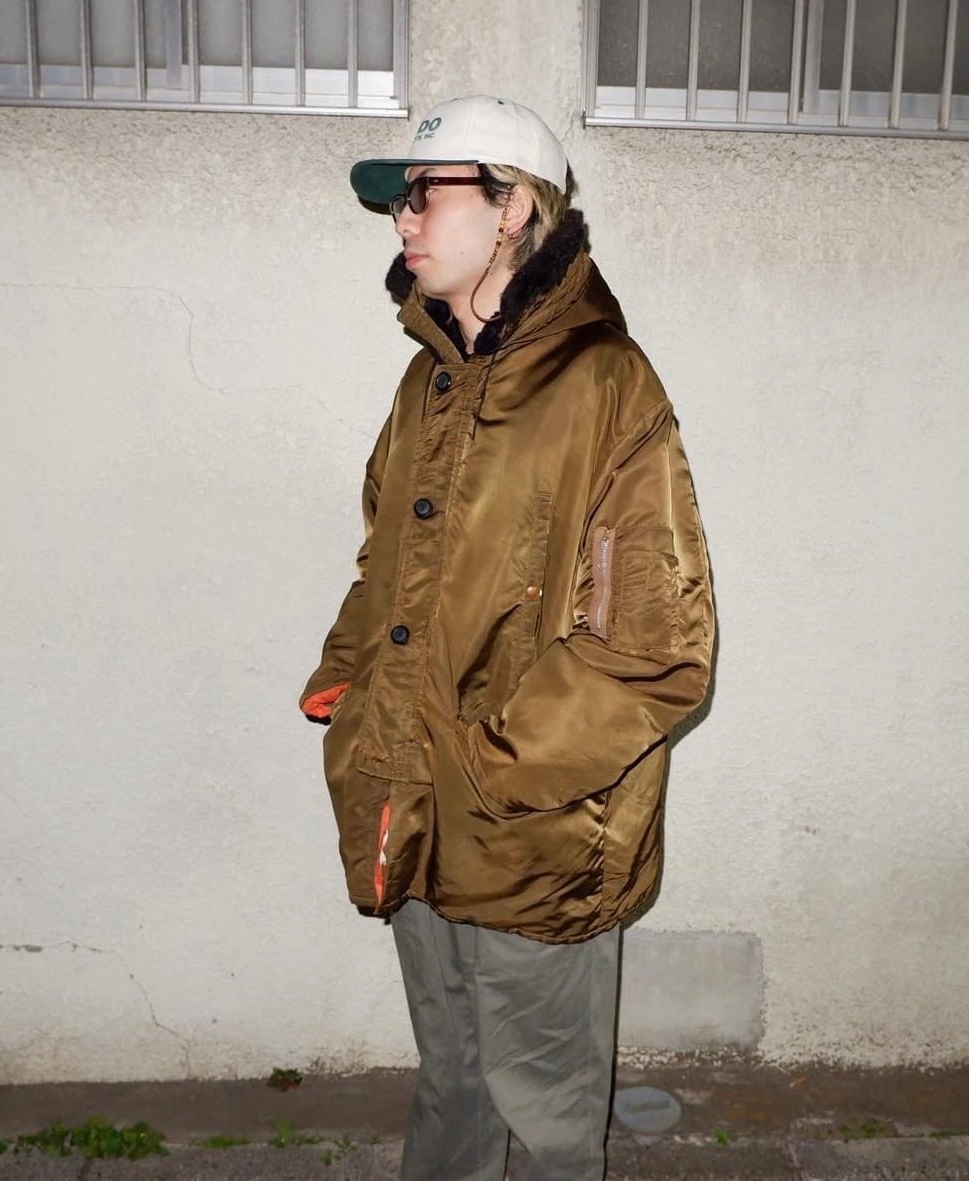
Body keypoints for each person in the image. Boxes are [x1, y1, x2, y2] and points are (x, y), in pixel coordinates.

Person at [300, 95, 715, 1181]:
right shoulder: (427, 379)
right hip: (411, 798)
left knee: (545, 1110)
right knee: (452, 1078)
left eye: (425, 194)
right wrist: (346, 679)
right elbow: (385, 560)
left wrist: (493, 767)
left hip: (536, 828)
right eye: (399, 200)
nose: (403, 218)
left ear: (513, 208)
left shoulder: (602, 383)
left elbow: (654, 647)